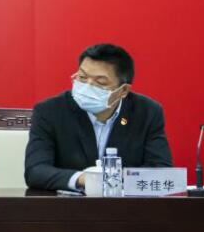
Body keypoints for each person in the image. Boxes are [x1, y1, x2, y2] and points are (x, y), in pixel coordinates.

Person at [24, 43, 172, 191]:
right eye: (82, 77)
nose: (87, 86)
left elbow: (161, 171)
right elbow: (36, 171)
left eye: (100, 82)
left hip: (125, 203)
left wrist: (112, 180)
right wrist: (84, 179)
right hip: (69, 204)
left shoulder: (147, 113)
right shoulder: (49, 111)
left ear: (123, 90)